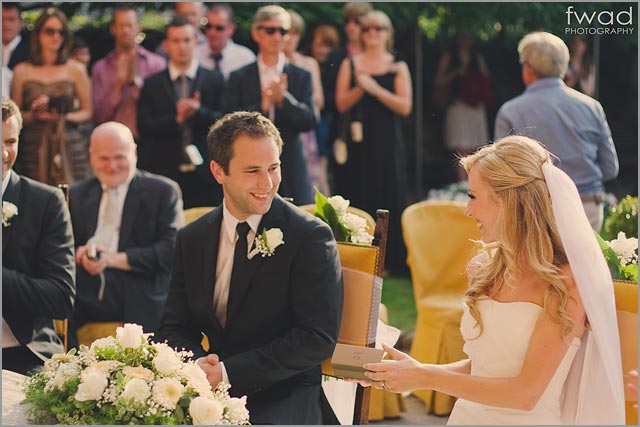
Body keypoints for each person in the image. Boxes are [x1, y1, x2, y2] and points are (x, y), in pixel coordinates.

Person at [356, 135, 625, 425]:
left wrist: (426, 377)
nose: (467, 210)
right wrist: (414, 371)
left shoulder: (563, 282)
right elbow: (485, 368)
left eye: (473, 196)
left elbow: (525, 394)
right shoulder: (485, 267)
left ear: (509, 200)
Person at [158, 111, 343, 424]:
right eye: (253, 171)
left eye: (273, 168)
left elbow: (316, 337)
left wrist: (229, 373)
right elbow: (174, 326)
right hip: (207, 387)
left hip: (285, 391)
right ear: (218, 171)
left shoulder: (309, 236)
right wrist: (201, 367)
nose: (267, 183)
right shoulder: (193, 237)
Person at [69, 121, 183, 347]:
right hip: (86, 284)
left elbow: (171, 251)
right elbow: (60, 245)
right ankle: (66, 372)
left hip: (137, 287)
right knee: (52, 296)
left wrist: (110, 260)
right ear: (91, 157)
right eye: (104, 158)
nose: (112, 166)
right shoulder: (78, 193)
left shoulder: (162, 191)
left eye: (119, 157)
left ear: (134, 153)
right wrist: (80, 255)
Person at [494, 31, 618, 231]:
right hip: (586, 207)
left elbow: (502, 174)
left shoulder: (510, 112)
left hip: (535, 211)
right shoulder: (592, 107)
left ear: (527, 69)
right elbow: (610, 168)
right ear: (563, 66)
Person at [335, 10, 412, 274]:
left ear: (387, 33)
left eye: (378, 29)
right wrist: (361, 87)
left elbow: (405, 107)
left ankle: (391, 261)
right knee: (360, 192)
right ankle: (361, 258)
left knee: (389, 194)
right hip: (360, 144)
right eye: (367, 29)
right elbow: (341, 103)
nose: (372, 34)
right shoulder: (351, 64)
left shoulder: (397, 66)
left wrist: (375, 89)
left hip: (388, 142)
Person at [2, 96, 75, 374]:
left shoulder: (45, 201)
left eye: (10, 142)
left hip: (24, 354)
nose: (3, 154)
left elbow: (61, 297)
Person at [223, 5, 316, 205]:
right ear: (256, 33)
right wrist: (262, 106)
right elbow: (228, 124)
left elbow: (310, 120)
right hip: (250, 166)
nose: (277, 36)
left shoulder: (302, 75)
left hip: (292, 164)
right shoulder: (238, 76)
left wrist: (284, 100)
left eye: (283, 31)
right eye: (270, 30)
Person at [138, 16, 224, 208]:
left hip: (207, 175)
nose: (182, 46)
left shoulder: (214, 80)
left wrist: (198, 111)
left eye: (186, 40)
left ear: (196, 41)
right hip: (165, 171)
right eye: (175, 41)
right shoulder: (153, 84)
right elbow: (143, 126)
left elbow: (226, 121)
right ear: (166, 45)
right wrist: (175, 119)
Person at [11, 7, 93, 185]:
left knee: (73, 196)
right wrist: (34, 114)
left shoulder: (76, 69)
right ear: (38, 34)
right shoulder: (21, 71)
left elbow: (88, 112)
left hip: (69, 143)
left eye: (61, 32)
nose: (56, 36)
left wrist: (62, 115)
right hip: (34, 145)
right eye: (50, 31)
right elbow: (14, 115)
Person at [92, 6, 166, 140]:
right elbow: (98, 116)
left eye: (129, 25)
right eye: (121, 26)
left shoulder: (157, 64)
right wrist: (118, 86)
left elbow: (161, 110)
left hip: (149, 141)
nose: (125, 31)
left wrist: (134, 83)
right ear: (112, 29)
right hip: (113, 140)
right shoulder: (100, 68)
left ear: (138, 27)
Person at [434, 29, 491, 182]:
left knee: (476, 146)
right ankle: (462, 182)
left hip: (475, 105)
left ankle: (475, 181)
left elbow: (485, 80)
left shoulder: (476, 58)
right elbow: (439, 81)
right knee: (461, 146)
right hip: (457, 103)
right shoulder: (449, 57)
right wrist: (457, 73)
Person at [284, 9, 329, 198]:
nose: (290, 38)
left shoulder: (308, 63)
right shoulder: (272, 64)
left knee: (312, 178)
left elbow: (319, 101)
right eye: (287, 32)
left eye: (295, 33)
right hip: (283, 126)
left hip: (305, 129)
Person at [195, 4, 255, 81]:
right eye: (208, 26)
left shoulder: (245, 59)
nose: (212, 32)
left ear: (231, 29)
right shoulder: (194, 55)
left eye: (219, 28)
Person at [2, 3, 29, 70]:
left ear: (21, 23)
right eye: (1, 19)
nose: (6, 24)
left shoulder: (31, 51)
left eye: (11, 19)